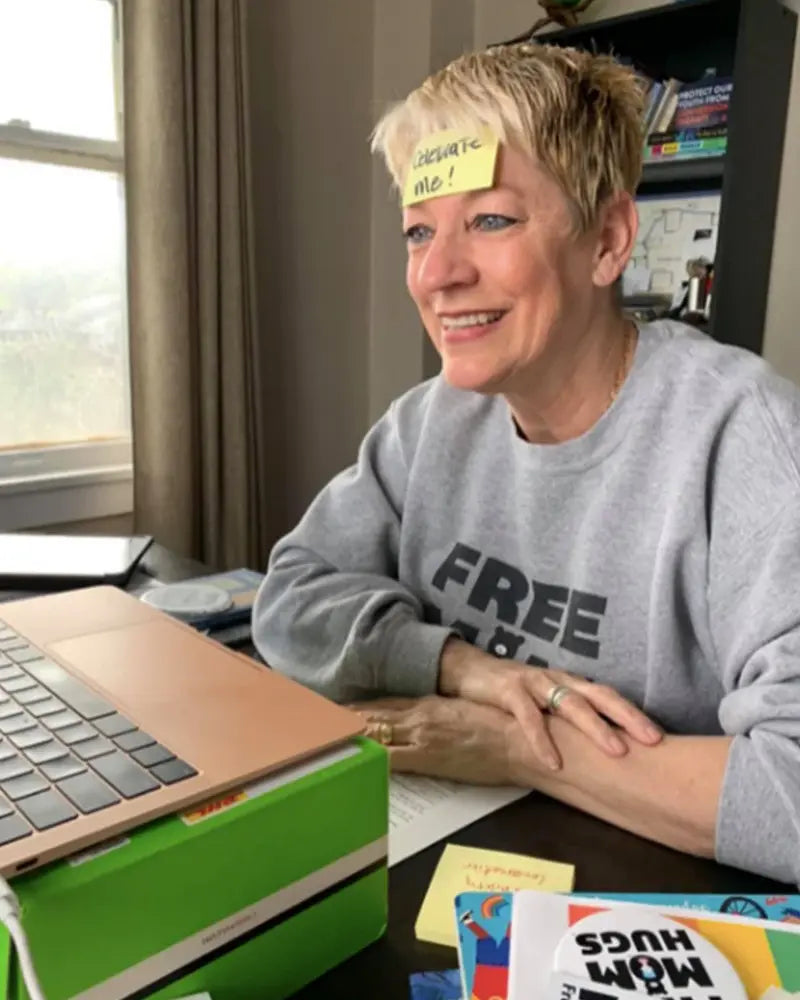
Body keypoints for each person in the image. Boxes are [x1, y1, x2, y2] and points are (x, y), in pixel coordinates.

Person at [252, 42, 800, 885]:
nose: (437, 273)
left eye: (492, 220)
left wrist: (514, 745)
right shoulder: (432, 419)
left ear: (609, 240)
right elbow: (290, 597)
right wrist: (459, 667)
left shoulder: (744, 437)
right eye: (419, 231)